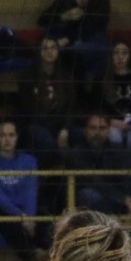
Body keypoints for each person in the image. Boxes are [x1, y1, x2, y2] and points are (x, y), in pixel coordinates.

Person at [37, 0, 111, 79]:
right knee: (58, 51)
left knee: (77, 52)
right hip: (71, 44)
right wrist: (63, 16)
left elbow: (95, 25)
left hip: (94, 42)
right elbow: (42, 20)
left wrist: (68, 39)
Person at [0, 120, 39, 257]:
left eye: (11, 135)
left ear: (17, 137)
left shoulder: (29, 161)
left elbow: (31, 191)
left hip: (28, 213)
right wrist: (20, 216)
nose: (7, 139)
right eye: (2, 135)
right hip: (3, 213)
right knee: (11, 226)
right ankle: (34, 255)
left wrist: (30, 217)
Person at [65, 113, 131, 216]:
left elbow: (128, 179)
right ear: (85, 130)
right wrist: (125, 199)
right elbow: (93, 181)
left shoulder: (118, 151)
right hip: (86, 202)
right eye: (92, 128)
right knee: (89, 195)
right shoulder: (76, 153)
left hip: (115, 199)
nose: (97, 132)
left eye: (102, 128)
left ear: (109, 131)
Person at [18, 35, 76, 165]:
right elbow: (26, 109)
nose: (49, 51)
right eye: (45, 48)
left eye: (53, 48)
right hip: (35, 125)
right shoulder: (28, 75)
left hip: (60, 125)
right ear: (39, 52)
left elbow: (70, 108)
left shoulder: (66, 77)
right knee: (48, 141)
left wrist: (65, 129)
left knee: (83, 135)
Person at [95, 39, 131, 151]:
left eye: (124, 53)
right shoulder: (102, 78)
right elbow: (97, 106)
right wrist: (110, 121)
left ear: (129, 55)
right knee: (114, 139)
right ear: (111, 56)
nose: (120, 57)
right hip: (111, 123)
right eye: (116, 53)